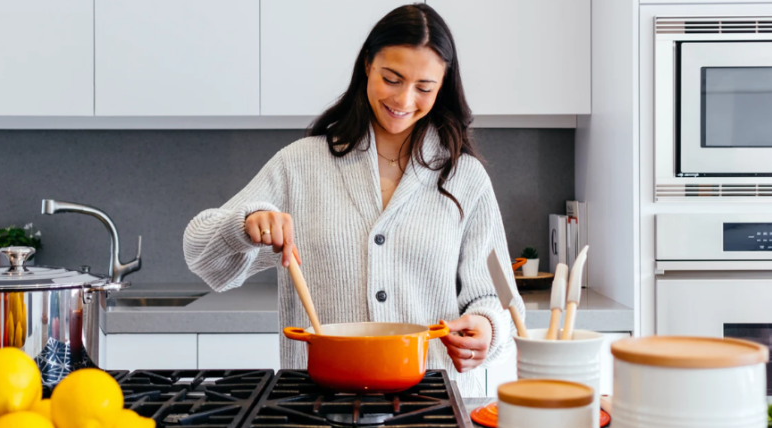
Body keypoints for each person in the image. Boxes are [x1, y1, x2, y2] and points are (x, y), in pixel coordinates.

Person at [183, 3, 524, 396]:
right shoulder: (302, 164)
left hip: (430, 406)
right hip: (315, 406)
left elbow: (497, 298)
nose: (404, 99)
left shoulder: (465, 177)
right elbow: (201, 254)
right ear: (367, 65)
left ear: (443, 85)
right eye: (392, 78)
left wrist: (485, 327)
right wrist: (245, 225)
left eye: (424, 87)